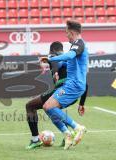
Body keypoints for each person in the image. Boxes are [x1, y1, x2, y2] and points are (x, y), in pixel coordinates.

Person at [26, 41, 88, 149]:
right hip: (71, 93)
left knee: (30, 106)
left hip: (63, 90)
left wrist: (52, 66)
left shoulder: (56, 57)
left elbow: (57, 63)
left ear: (52, 51)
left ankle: (36, 139)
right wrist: (81, 104)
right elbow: (85, 84)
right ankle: (67, 134)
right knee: (49, 108)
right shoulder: (71, 61)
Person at [41, 20, 88, 150]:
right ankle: (67, 134)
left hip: (74, 85)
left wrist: (51, 59)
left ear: (72, 33)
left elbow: (69, 56)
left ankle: (77, 128)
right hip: (72, 84)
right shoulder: (76, 45)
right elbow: (69, 63)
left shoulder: (79, 44)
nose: (66, 36)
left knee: (50, 106)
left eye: (67, 33)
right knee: (46, 107)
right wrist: (51, 65)